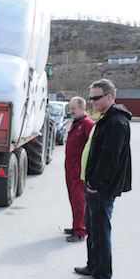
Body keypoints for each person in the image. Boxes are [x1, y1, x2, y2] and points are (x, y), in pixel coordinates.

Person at [75, 79, 132, 279]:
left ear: (109, 97)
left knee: (100, 230)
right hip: (95, 185)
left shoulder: (116, 122)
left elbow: (110, 158)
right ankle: (93, 266)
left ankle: (102, 275)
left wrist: (95, 183)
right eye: (90, 97)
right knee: (92, 228)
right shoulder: (107, 118)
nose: (92, 102)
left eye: (96, 98)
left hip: (101, 188)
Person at [63, 96, 95, 243]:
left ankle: (80, 231)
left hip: (79, 169)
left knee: (79, 199)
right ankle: (76, 225)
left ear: (83, 108)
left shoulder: (87, 124)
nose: (71, 111)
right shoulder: (75, 123)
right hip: (70, 167)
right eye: (70, 108)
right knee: (72, 198)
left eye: (74, 108)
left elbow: (93, 147)